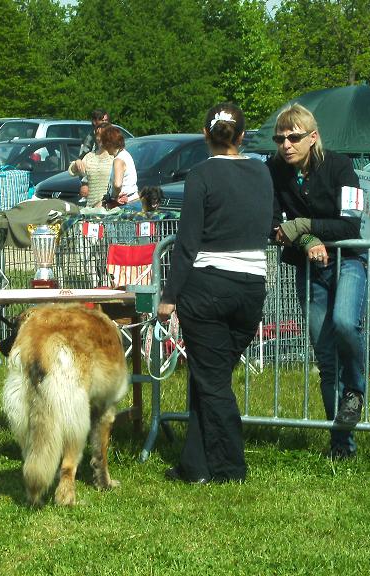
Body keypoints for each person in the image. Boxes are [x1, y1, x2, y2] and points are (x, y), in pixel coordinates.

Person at [158, 102, 273, 484]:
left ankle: (229, 468)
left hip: (207, 286)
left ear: (205, 136)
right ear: (242, 136)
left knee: (212, 382)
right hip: (251, 287)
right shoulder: (261, 172)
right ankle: (196, 466)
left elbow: (187, 242)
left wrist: (168, 295)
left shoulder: (201, 174)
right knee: (211, 376)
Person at [268, 103, 367, 461]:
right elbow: (272, 225)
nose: (286, 144)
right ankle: (341, 445)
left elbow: (351, 224)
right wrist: (307, 240)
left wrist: (305, 226)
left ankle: (355, 390)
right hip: (308, 269)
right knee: (325, 357)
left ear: (313, 138)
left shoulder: (340, 166)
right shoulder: (274, 170)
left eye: (294, 137)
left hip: (349, 261)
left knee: (344, 323)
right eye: (280, 138)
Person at [68, 121, 113, 208]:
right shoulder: (90, 156)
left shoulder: (114, 157)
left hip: (109, 207)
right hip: (91, 208)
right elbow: (72, 172)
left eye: (102, 135)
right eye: (97, 135)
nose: (99, 138)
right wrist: (77, 162)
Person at [100, 125, 139, 209]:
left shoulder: (118, 160)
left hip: (126, 204)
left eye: (104, 143)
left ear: (109, 143)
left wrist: (115, 197)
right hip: (134, 200)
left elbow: (117, 184)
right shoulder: (126, 155)